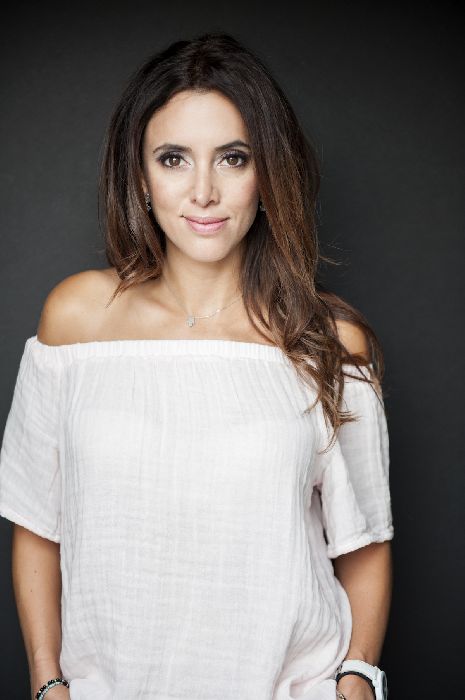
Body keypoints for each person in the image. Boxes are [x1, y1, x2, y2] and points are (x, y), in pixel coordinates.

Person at [0, 32, 394, 700]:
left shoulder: (328, 341)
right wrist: (47, 682)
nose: (203, 191)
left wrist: (356, 676)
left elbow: (364, 540)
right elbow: (37, 523)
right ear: (139, 174)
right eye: (174, 158)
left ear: (267, 175)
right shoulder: (76, 319)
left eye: (233, 158)